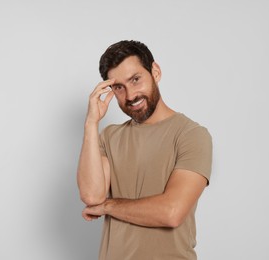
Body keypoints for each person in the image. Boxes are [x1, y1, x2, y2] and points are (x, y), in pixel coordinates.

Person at [76, 40, 212, 260]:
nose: (130, 95)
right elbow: (92, 196)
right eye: (119, 87)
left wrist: (108, 206)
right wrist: (91, 123)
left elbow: (171, 212)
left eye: (135, 79)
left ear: (155, 72)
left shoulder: (191, 135)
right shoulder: (109, 136)